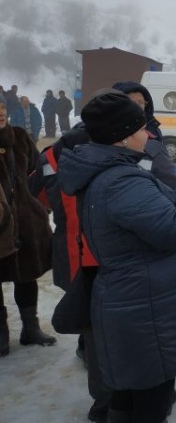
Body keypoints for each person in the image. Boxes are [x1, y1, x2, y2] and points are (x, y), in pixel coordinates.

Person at [57, 92, 176, 422]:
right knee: (150, 399)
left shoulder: (111, 173)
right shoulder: (121, 180)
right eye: (142, 128)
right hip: (145, 304)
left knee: (131, 394)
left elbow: (140, 221)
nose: (148, 134)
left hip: (134, 297)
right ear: (124, 135)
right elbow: (172, 230)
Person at [31, 125, 111, 422]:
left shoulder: (50, 156)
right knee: (104, 328)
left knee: (89, 326)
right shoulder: (115, 151)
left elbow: (35, 197)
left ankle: (100, 394)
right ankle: (107, 401)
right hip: (105, 256)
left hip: (70, 253)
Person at [0, 102, 56, 358]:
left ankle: (30, 329)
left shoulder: (20, 137)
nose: (0, 111)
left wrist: (38, 206)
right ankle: (1, 337)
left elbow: (40, 172)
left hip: (26, 222)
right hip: (1, 225)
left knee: (27, 274)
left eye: (1, 106)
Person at [113, 82, 176, 190]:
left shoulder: (153, 130)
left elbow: (167, 175)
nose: (136, 106)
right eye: (130, 101)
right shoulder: (104, 133)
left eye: (140, 102)